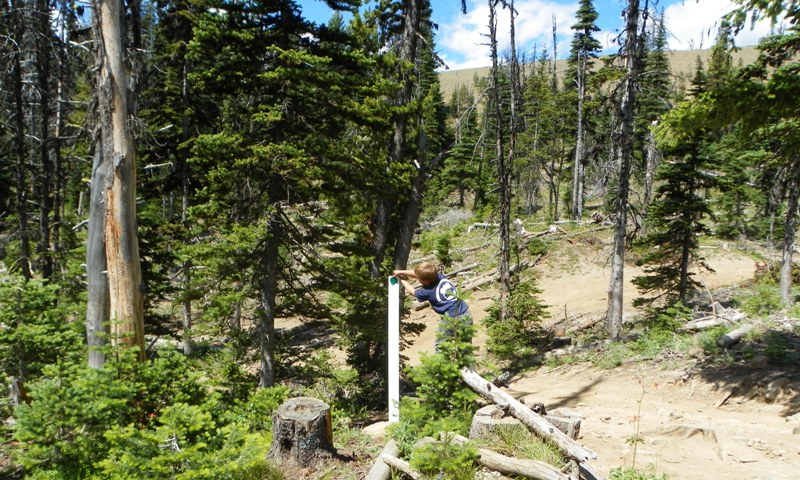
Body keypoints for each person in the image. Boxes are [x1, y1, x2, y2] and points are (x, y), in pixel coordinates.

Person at [393, 262, 472, 350]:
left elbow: (412, 291)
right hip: (466, 314)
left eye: (418, 278)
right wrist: (400, 271)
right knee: (465, 346)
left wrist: (402, 279)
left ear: (425, 281)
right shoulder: (440, 276)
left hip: (450, 320)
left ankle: (441, 363)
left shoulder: (427, 291)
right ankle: (467, 363)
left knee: (441, 346)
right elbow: (420, 274)